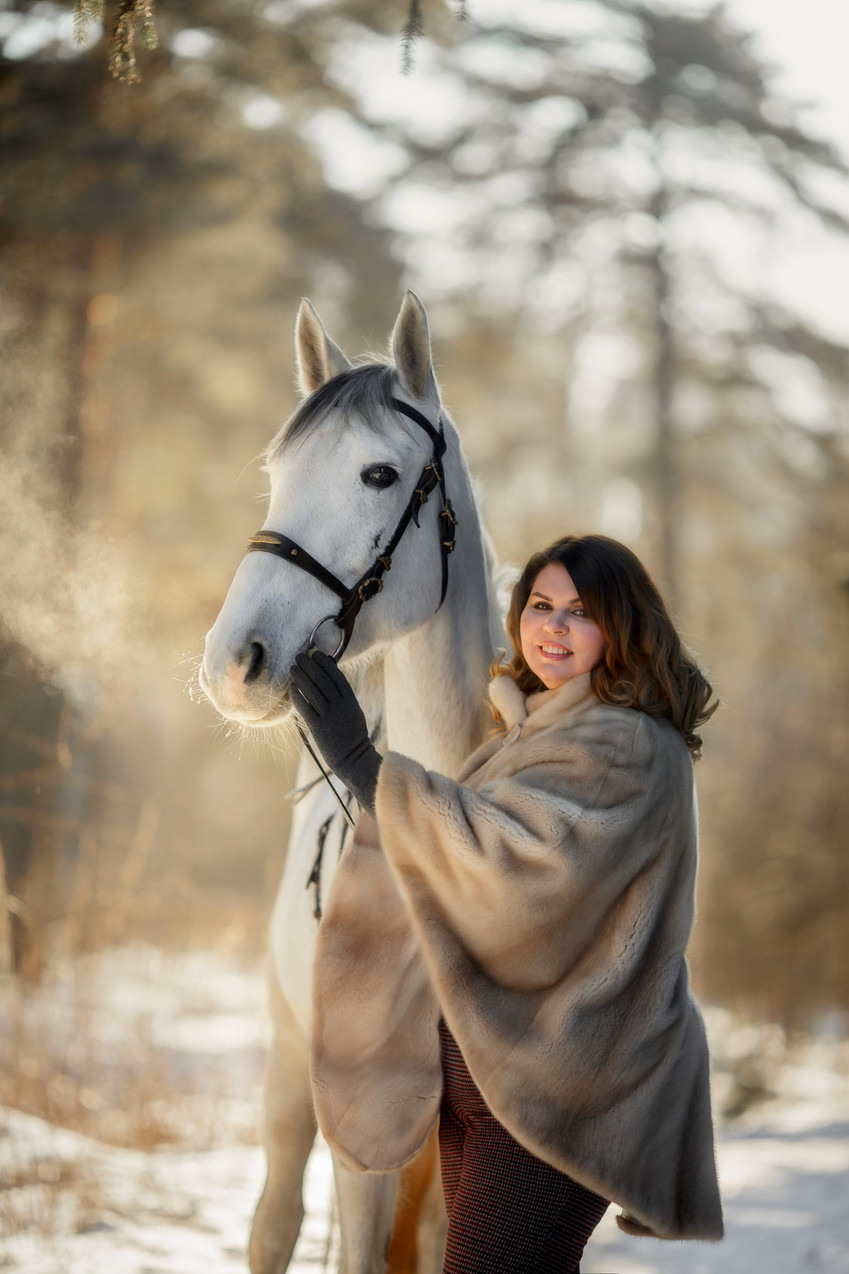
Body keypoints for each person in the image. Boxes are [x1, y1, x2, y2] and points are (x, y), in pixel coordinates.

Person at [290, 533, 724, 1274]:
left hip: (559, 1088)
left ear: (621, 624)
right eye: (539, 605)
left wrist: (360, 761)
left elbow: (501, 867)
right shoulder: (539, 729)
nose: (551, 626)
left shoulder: (626, 744)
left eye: (579, 611)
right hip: (489, 1080)